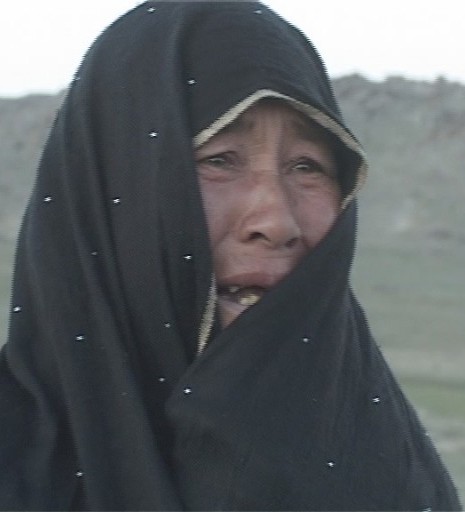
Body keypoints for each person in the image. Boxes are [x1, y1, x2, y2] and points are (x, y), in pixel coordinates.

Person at [0, 1, 461, 510]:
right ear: (112, 195)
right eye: (219, 160)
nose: (277, 222)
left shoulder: (389, 473)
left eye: (307, 166)